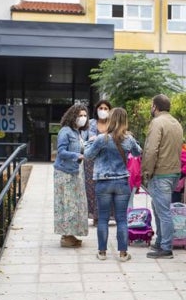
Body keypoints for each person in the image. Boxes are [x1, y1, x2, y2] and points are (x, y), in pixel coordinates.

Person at [84, 108, 141, 261]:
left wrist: (90, 140)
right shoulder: (128, 139)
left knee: (102, 218)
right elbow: (137, 153)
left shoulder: (102, 139)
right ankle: (123, 253)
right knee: (121, 219)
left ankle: (102, 252)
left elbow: (88, 156)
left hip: (103, 182)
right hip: (122, 182)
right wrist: (132, 142)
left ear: (110, 120)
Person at [141, 94, 183, 259]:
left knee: (163, 211)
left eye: (152, 105)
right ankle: (160, 242)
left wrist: (147, 171)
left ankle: (166, 247)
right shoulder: (176, 122)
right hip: (174, 173)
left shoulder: (157, 122)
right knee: (159, 208)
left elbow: (151, 150)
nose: (151, 108)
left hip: (160, 173)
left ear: (155, 107)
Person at [53, 104, 90, 248]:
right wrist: (77, 155)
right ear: (72, 116)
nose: (82, 118)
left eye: (84, 115)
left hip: (75, 171)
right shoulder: (65, 131)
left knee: (75, 204)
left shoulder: (78, 132)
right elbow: (61, 152)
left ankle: (71, 234)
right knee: (66, 204)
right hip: (64, 173)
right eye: (79, 115)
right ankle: (65, 236)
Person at [85, 100, 112, 226]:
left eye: (106, 108)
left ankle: (106, 215)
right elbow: (85, 140)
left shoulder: (113, 124)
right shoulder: (91, 123)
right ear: (96, 110)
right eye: (100, 107)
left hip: (108, 161)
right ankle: (96, 217)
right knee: (93, 189)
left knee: (106, 188)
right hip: (91, 163)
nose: (103, 110)